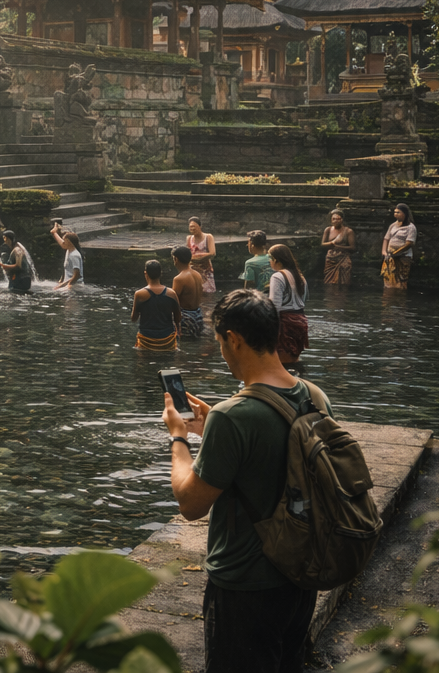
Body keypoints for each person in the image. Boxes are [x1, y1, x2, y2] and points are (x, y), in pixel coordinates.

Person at [161, 289, 334, 673]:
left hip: (245, 586)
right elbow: (276, 462)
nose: (222, 351)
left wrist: (178, 437)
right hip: (300, 575)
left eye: (220, 342)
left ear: (233, 339)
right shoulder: (314, 396)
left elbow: (190, 505)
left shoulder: (233, 415)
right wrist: (212, 434)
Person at [267, 245, 308, 365]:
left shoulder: (277, 276)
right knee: (294, 359)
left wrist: (270, 330)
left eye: (270, 258)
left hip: (285, 322)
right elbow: (303, 301)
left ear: (276, 260)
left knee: (282, 362)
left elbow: (274, 306)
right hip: (300, 321)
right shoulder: (300, 277)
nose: (269, 261)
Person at [131, 259, 181, 351]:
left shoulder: (139, 294)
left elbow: (133, 319)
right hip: (167, 340)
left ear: (146, 273)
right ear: (160, 273)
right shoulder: (171, 293)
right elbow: (178, 318)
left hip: (146, 340)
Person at [171, 246, 205, 339]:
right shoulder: (197, 275)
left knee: (183, 344)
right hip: (198, 315)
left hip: (186, 317)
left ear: (176, 259)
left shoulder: (179, 278)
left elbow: (172, 301)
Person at [381, 203, 416, 289]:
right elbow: (386, 239)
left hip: (403, 256)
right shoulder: (393, 225)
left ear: (405, 213)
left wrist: (396, 252)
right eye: (395, 212)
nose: (395, 214)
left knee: (401, 281)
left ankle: (399, 299)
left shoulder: (410, 227)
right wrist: (384, 252)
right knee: (388, 281)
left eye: (398, 212)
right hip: (390, 256)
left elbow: (409, 244)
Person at [320, 210, 355, 285]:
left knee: (343, 283)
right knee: (329, 282)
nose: (336, 221)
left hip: (343, 258)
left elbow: (352, 248)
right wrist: (331, 243)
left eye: (338, 219)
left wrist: (337, 246)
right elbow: (322, 244)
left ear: (342, 220)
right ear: (331, 220)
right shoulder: (328, 230)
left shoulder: (348, 231)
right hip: (330, 258)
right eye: (334, 219)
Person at [186, 217, 217, 293]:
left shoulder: (208, 237)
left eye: (194, 226)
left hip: (205, 269)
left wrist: (197, 257)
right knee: (194, 292)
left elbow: (212, 253)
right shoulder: (189, 238)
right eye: (190, 227)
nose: (192, 229)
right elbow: (188, 254)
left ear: (200, 226)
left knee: (208, 292)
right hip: (193, 269)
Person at [0, 229, 33, 294]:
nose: (4, 240)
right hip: (18, 279)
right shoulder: (14, 250)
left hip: (21, 280)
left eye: (4, 238)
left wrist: (3, 265)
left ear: (9, 238)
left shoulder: (17, 250)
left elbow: (18, 266)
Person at [51, 222, 84, 289]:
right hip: (67, 284)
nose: (63, 243)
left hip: (75, 286)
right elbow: (67, 269)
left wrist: (64, 285)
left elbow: (77, 275)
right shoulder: (68, 251)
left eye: (64, 241)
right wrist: (61, 281)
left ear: (69, 242)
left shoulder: (74, 255)